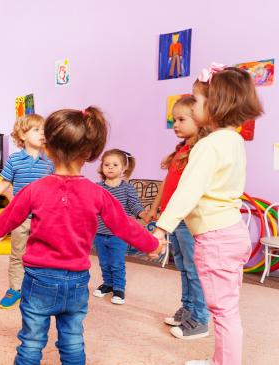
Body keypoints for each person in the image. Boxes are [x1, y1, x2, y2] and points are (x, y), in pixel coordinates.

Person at [0, 106, 166, 365]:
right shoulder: (99, 194)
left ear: (48, 150)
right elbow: (125, 226)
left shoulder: (33, 189)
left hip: (39, 279)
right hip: (76, 281)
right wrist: (152, 244)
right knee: (72, 339)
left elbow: (7, 219)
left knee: (31, 342)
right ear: (88, 153)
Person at [153, 63, 264, 365]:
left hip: (215, 238)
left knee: (223, 311)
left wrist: (161, 229)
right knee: (227, 307)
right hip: (232, 231)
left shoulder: (208, 146)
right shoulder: (234, 140)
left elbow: (187, 193)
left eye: (197, 100)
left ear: (216, 104)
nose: (193, 104)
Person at [147, 96, 210, 339]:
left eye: (182, 119)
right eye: (174, 120)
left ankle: (200, 319)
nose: (175, 124)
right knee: (183, 266)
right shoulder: (181, 150)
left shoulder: (200, 151)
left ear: (200, 121)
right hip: (173, 219)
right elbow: (166, 184)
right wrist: (155, 207)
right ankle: (188, 308)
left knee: (194, 269)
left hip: (189, 220)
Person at [0, 113, 54, 309]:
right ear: (22, 135)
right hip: (20, 218)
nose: (42, 134)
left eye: (43, 130)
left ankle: (40, 288)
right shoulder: (14, 160)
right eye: (36, 130)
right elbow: (2, 184)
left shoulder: (51, 161)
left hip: (44, 219)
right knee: (17, 254)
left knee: (43, 254)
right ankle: (15, 289)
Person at [92, 149, 147, 305]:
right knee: (104, 262)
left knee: (116, 263)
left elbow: (135, 206)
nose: (110, 167)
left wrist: (143, 214)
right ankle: (108, 284)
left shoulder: (127, 188)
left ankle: (119, 288)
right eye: (106, 164)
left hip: (119, 235)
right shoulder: (98, 188)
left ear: (123, 168)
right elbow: (91, 206)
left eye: (115, 165)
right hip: (100, 233)